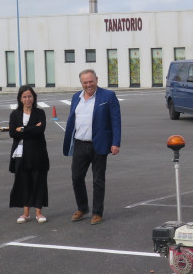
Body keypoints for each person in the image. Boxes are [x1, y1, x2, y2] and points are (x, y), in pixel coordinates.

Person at [62, 69, 122, 225]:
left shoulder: (108, 96)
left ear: (96, 79)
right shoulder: (76, 97)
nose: (88, 85)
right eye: (85, 82)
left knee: (98, 180)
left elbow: (116, 120)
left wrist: (116, 142)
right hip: (80, 143)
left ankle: (97, 212)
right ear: (81, 83)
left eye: (91, 81)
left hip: (100, 144)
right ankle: (82, 208)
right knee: (76, 178)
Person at [8, 85, 50, 224]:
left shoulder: (40, 113)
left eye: (30, 96)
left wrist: (22, 129)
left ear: (34, 97)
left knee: (38, 181)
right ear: (20, 98)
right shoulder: (15, 114)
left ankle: (39, 212)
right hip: (20, 154)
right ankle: (26, 213)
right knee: (23, 182)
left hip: (37, 154)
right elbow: (12, 133)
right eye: (24, 97)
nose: (28, 99)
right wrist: (31, 129)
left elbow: (40, 131)